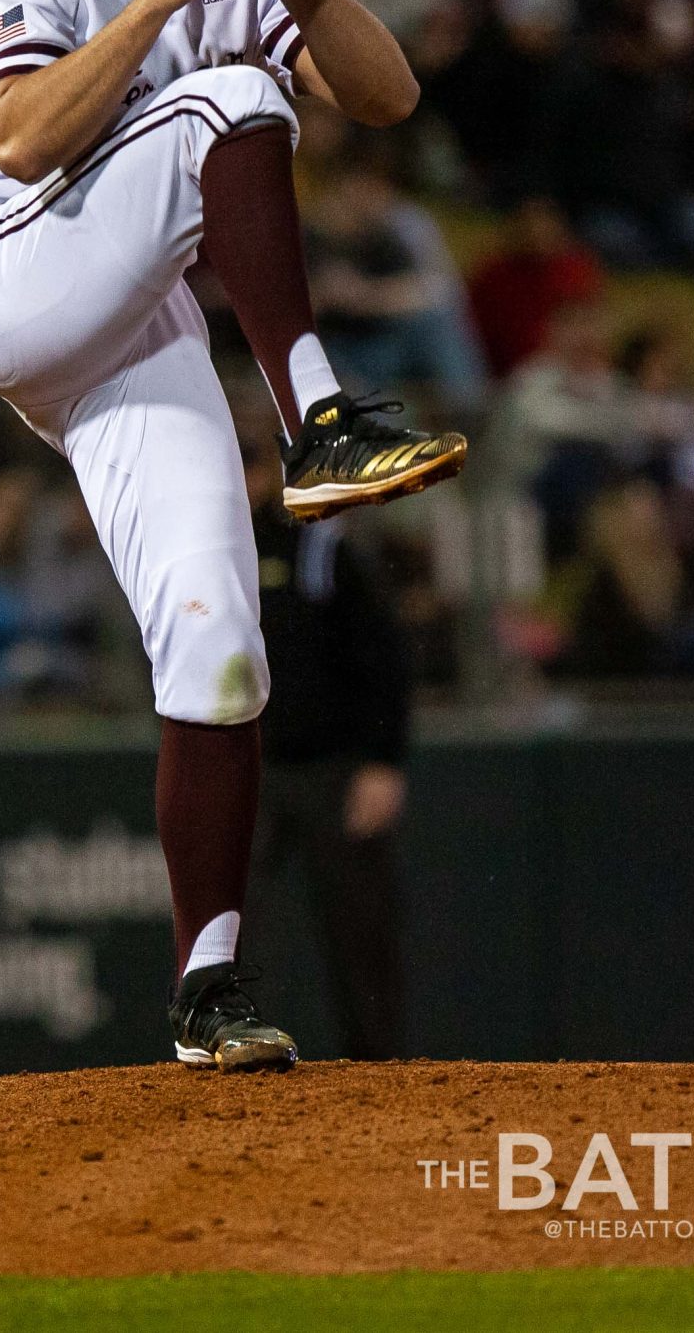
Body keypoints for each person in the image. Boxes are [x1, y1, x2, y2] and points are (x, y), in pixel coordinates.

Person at [0, 0, 464, 1072]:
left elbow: (387, 96)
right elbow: (25, 136)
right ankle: (321, 419)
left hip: (135, 325)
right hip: (16, 273)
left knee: (222, 642)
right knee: (231, 99)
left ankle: (208, 984)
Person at [246, 450, 407, 1061]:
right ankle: (231, 1052)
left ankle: (376, 1068)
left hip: (332, 767)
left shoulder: (322, 548)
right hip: (251, 767)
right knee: (229, 927)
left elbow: (383, 656)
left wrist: (382, 761)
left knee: (361, 932)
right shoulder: (213, 549)